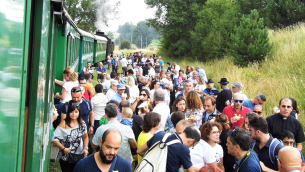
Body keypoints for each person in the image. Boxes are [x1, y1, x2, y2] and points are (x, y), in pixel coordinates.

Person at [52, 104, 89, 172]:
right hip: (66, 157)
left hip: (79, 156)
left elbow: (86, 136)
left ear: (79, 112)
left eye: (76, 112)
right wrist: (63, 148)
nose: (74, 114)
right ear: (68, 112)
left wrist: (86, 148)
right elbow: (54, 138)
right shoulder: (64, 124)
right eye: (71, 112)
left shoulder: (82, 123)